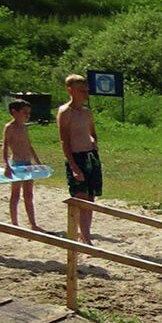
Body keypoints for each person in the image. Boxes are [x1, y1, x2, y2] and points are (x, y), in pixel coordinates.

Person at [57, 74, 100, 244]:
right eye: (81, 90)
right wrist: (74, 167)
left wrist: (94, 142)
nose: (85, 93)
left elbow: (93, 133)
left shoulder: (87, 112)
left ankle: (85, 236)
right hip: (76, 156)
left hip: (91, 156)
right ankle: (84, 238)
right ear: (71, 90)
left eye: (86, 90)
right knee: (80, 198)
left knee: (90, 198)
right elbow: (64, 140)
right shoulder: (65, 112)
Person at [0, 99, 41, 230]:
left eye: (29, 113)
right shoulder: (9, 127)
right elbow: (5, 147)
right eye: (25, 112)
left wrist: (38, 162)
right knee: (15, 194)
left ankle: (33, 223)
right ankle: (14, 223)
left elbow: (29, 145)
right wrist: (7, 165)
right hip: (16, 164)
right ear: (14, 112)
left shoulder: (24, 126)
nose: (28, 115)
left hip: (27, 163)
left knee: (29, 194)